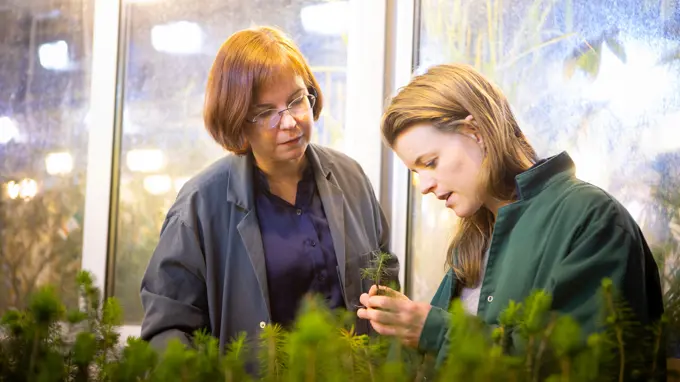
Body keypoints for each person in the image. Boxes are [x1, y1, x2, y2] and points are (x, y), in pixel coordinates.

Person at [357, 63, 663, 368]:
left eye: (432, 162)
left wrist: (433, 331)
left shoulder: (591, 219)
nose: (424, 186)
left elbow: (574, 365)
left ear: (474, 132)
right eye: (415, 172)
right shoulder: (476, 237)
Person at [140, 26, 398, 355]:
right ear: (236, 120)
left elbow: (384, 277)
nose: (289, 122)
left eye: (296, 101)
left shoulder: (351, 178)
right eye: (265, 113)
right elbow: (167, 328)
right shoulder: (200, 206)